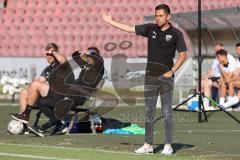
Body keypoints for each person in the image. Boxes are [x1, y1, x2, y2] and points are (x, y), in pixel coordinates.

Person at [102, 4, 187, 155]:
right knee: (149, 111)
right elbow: (129, 28)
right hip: (150, 77)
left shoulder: (176, 34)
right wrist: (110, 21)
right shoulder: (150, 29)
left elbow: (183, 55)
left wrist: (172, 71)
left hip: (166, 78)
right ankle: (148, 145)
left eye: (161, 16)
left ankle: (168, 145)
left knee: (167, 111)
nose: (158, 18)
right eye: (156, 15)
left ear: (168, 16)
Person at [18, 43, 60, 113]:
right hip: (48, 95)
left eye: (51, 54)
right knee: (24, 93)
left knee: (35, 84)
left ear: (56, 53)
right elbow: (39, 81)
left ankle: (25, 114)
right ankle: (22, 121)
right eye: (47, 54)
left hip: (59, 96)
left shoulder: (62, 65)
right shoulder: (48, 69)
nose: (48, 56)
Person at [201, 43, 236, 108]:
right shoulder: (217, 60)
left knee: (222, 82)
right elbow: (212, 71)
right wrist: (203, 77)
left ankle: (224, 105)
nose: (217, 58)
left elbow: (228, 77)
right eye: (215, 50)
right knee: (203, 82)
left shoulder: (230, 61)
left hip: (225, 80)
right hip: (218, 78)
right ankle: (204, 105)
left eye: (218, 57)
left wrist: (221, 68)